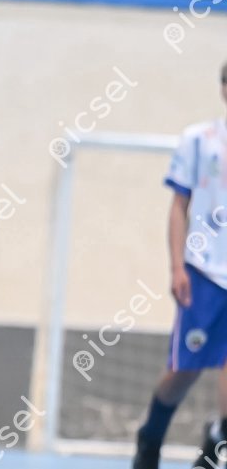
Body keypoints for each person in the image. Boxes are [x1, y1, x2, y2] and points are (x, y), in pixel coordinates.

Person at [132, 61, 227, 469]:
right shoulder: (200, 140)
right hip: (205, 272)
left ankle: (217, 444)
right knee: (184, 369)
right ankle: (150, 436)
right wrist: (177, 267)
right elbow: (179, 206)